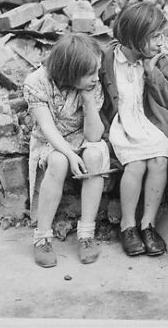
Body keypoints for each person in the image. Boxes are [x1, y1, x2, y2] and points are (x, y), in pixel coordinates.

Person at [100, 2, 168, 257]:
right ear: (135, 36)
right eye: (155, 37)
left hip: (149, 121)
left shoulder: (160, 61)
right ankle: (128, 226)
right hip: (120, 123)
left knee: (159, 159)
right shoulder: (106, 59)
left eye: (163, 36)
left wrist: (151, 72)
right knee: (135, 164)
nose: (161, 43)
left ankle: (148, 224)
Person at [23, 33, 109, 268]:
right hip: (50, 140)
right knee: (59, 161)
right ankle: (42, 237)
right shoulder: (36, 81)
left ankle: (86, 234)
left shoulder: (91, 86)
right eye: (89, 74)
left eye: (97, 72)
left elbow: (93, 135)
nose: (95, 78)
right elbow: (47, 127)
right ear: (70, 71)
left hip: (81, 136)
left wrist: (89, 100)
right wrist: (70, 155)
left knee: (94, 154)